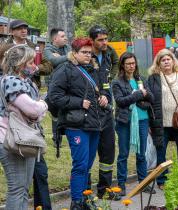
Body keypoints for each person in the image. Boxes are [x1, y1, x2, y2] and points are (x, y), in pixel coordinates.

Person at [48, 38, 111, 209]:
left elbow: (100, 90)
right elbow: (53, 97)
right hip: (76, 125)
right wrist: (78, 102)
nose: (88, 55)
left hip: (94, 123)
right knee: (80, 165)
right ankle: (76, 202)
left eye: (90, 53)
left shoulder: (92, 69)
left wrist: (104, 96)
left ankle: (84, 199)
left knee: (88, 165)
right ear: (74, 53)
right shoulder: (65, 69)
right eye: (84, 52)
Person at [2, 19, 52, 210]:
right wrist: (41, 105)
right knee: (17, 188)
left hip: (27, 137)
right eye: (31, 62)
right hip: (11, 137)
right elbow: (33, 110)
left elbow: (36, 115)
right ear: (21, 63)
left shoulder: (29, 82)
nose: (35, 65)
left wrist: (39, 107)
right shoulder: (12, 82)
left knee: (23, 188)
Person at [148, 49, 178, 189]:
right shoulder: (154, 78)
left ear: (173, 60)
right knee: (161, 151)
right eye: (163, 60)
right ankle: (162, 180)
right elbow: (149, 99)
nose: (166, 62)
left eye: (168, 59)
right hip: (161, 121)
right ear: (158, 63)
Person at [112, 52, 155, 196]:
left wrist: (144, 94)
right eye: (128, 63)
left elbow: (152, 97)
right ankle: (121, 185)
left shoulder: (141, 79)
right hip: (125, 121)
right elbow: (120, 101)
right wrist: (138, 95)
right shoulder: (117, 82)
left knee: (141, 154)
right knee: (123, 154)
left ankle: (143, 183)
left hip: (142, 120)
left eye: (133, 63)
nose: (131, 66)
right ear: (122, 66)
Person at [88, 25, 118, 200]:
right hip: (91, 112)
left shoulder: (108, 53)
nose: (104, 42)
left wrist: (109, 82)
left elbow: (111, 71)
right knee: (88, 155)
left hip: (107, 111)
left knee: (108, 152)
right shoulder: (85, 55)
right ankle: (85, 193)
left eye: (106, 38)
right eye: (100, 39)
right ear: (92, 41)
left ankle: (104, 190)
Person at [1, 19, 53, 87]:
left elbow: (48, 66)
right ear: (11, 32)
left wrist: (36, 68)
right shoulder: (5, 48)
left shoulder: (34, 47)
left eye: (25, 28)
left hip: (31, 86)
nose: (24, 31)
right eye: (19, 29)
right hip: (9, 86)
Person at [44, 28, 71, 149]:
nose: (66, 38)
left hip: (68, 84)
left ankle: (68, 135)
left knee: (66, 110)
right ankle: (57, 138)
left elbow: (73, 60)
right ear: (55, 39)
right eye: (63, 36)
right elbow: (53, 61)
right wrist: (68, 57)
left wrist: (62, 58)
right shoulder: (47, 49)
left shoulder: (67, 48)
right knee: (55, 113)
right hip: (54, 85)